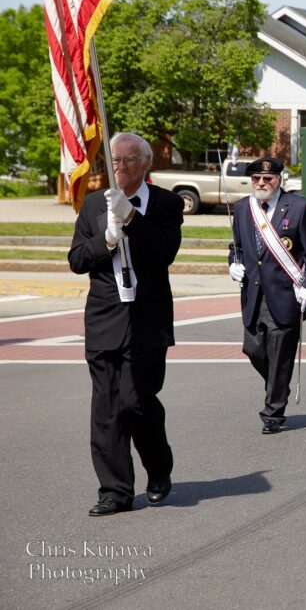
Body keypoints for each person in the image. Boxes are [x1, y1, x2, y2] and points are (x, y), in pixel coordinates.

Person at [68, 132, 183, 515]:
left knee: (137, 402)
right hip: (104, 319)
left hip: (147, 320)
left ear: (146, 163)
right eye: (115, 161)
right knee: (106, 409)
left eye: (130, 160)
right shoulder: (90, 206)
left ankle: (158, 469)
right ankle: (114, 491)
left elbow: (163, 253)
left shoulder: (166, 204)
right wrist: (106, 239)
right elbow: (77, 260)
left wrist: (131, 218)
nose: (121, 167)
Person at [228, 157, 306, 434]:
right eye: (256, 178)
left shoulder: (299, 207)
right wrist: (233, 263)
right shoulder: (243, 208)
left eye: (267, 179)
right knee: (253, 350)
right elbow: (238, 248)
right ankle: (279, 384)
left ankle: (273, 412)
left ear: (279, 180)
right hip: (253, 295)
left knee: (280, 355)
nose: (261, 183)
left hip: (285, 294)